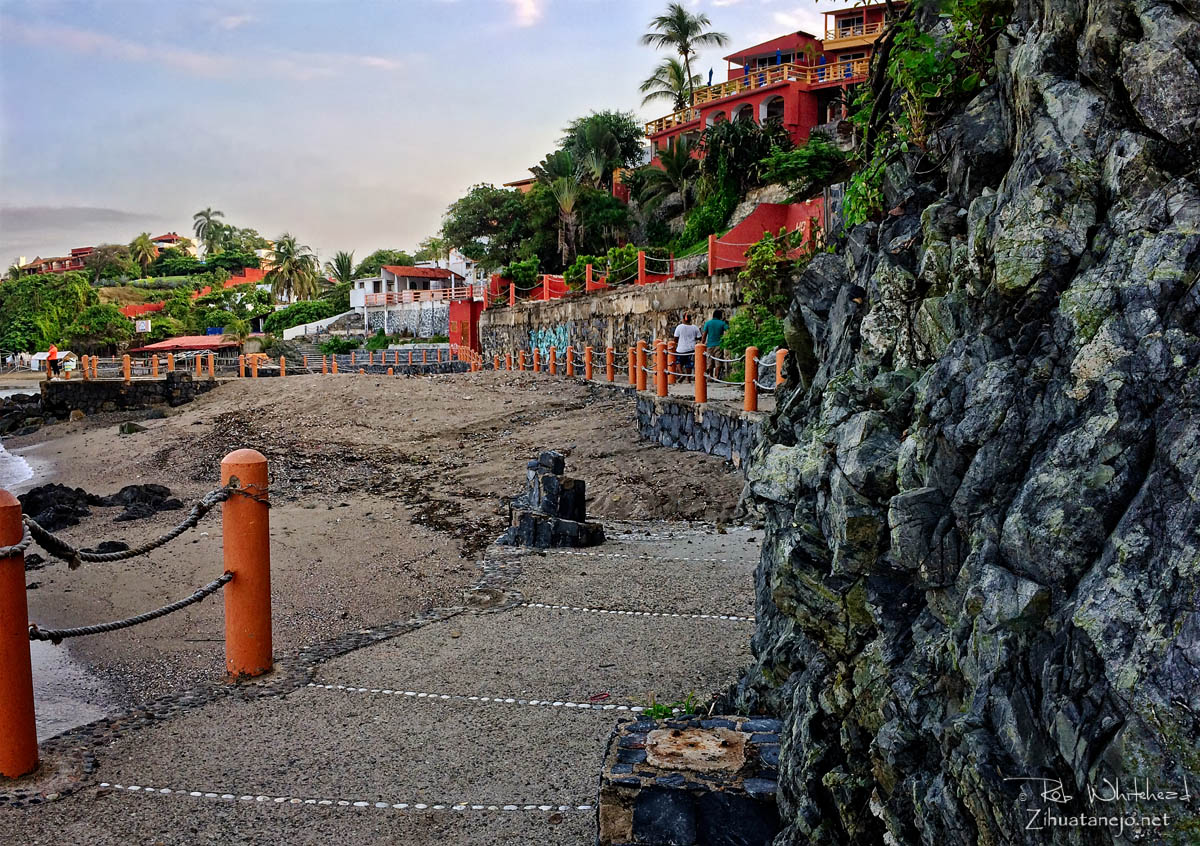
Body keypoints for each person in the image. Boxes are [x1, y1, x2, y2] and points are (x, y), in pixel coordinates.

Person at [673, 313, 702, 383]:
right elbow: (699, 337)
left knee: (678, 362)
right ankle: (688, 379)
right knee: (689, 364)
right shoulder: (695, 327)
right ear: (690, 319)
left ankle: (681, 373)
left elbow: (675, 338)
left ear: (683, 319)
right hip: (691, 349)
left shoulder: (679, 327)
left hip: (681, 349)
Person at [702, 309, 729, 378]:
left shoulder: (708, 323)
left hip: (710, 344)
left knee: (710, 361)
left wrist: (702, 344)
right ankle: (716, 376)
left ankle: (710, 376)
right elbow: (728, 330)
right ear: (720, 316)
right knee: (718, 361)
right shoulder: (722, 323)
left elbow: (704, 335)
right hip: (719, 344)